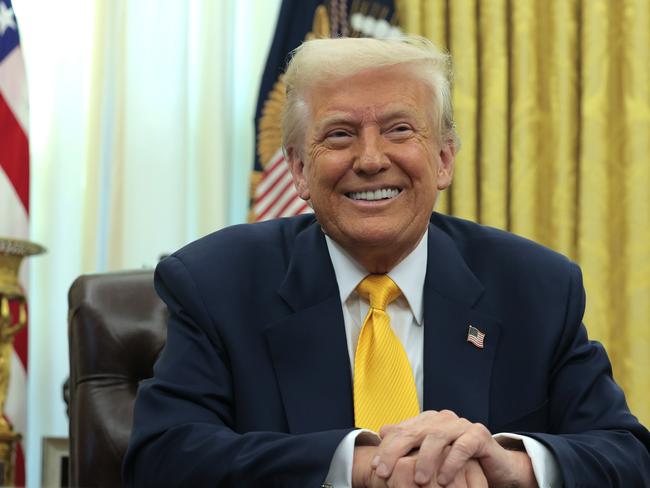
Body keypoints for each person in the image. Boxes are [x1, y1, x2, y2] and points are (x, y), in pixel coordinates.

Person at [123, 36, 650, 487]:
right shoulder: (215, 283)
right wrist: (360, 464)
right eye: (340, 134)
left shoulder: (536, 286)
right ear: (299, 171)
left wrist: (510, 466)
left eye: (400, 129)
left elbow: (628, 457)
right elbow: (164, 456)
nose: (371, 159)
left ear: (443, 159)